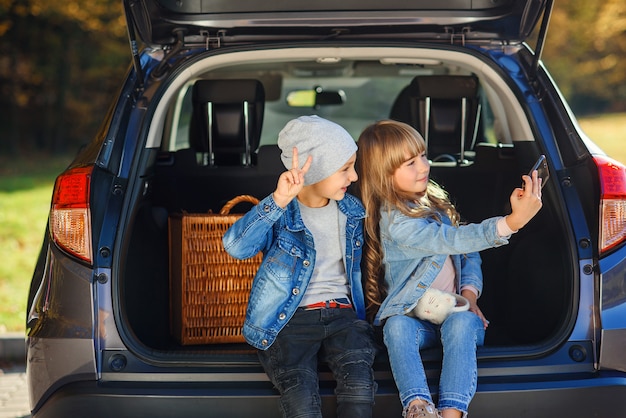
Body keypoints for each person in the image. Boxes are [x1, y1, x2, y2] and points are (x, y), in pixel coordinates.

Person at [355, 120, 543, 418]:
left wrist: (470, 298)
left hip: (454, 317)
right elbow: (450, 240)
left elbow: (467, 252)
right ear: (383, 175)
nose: (423, 167)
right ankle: (418, 406)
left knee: (463, 322)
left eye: (422, 156)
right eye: (409, 163)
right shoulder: (394, 222)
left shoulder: (434, 201)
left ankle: (451, 413)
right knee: (397, 326)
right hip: (417, 321)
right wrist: (511, 223)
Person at [223, 115, 378, 418]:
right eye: (345, 168)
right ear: (315, 169)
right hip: (290, 320)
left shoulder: (352, 211)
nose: (355, 177)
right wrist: (278, 200)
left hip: (343, 317)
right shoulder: (281, 215)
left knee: (359, 388)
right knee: (301, 400)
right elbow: (236, 247)